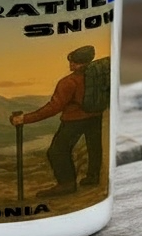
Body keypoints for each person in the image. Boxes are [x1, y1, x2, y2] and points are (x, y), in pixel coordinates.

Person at [10, 45, 104, 197]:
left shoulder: (68, 82)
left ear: (78, 63)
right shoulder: (98, 74)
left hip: (74, 120)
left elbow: (53, 108)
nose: (70, 64)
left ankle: (67, 184)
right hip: (96, 115)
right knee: (94, 146)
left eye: (72, 61)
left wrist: (25, 119)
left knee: (57, 151)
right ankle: (93, 177)